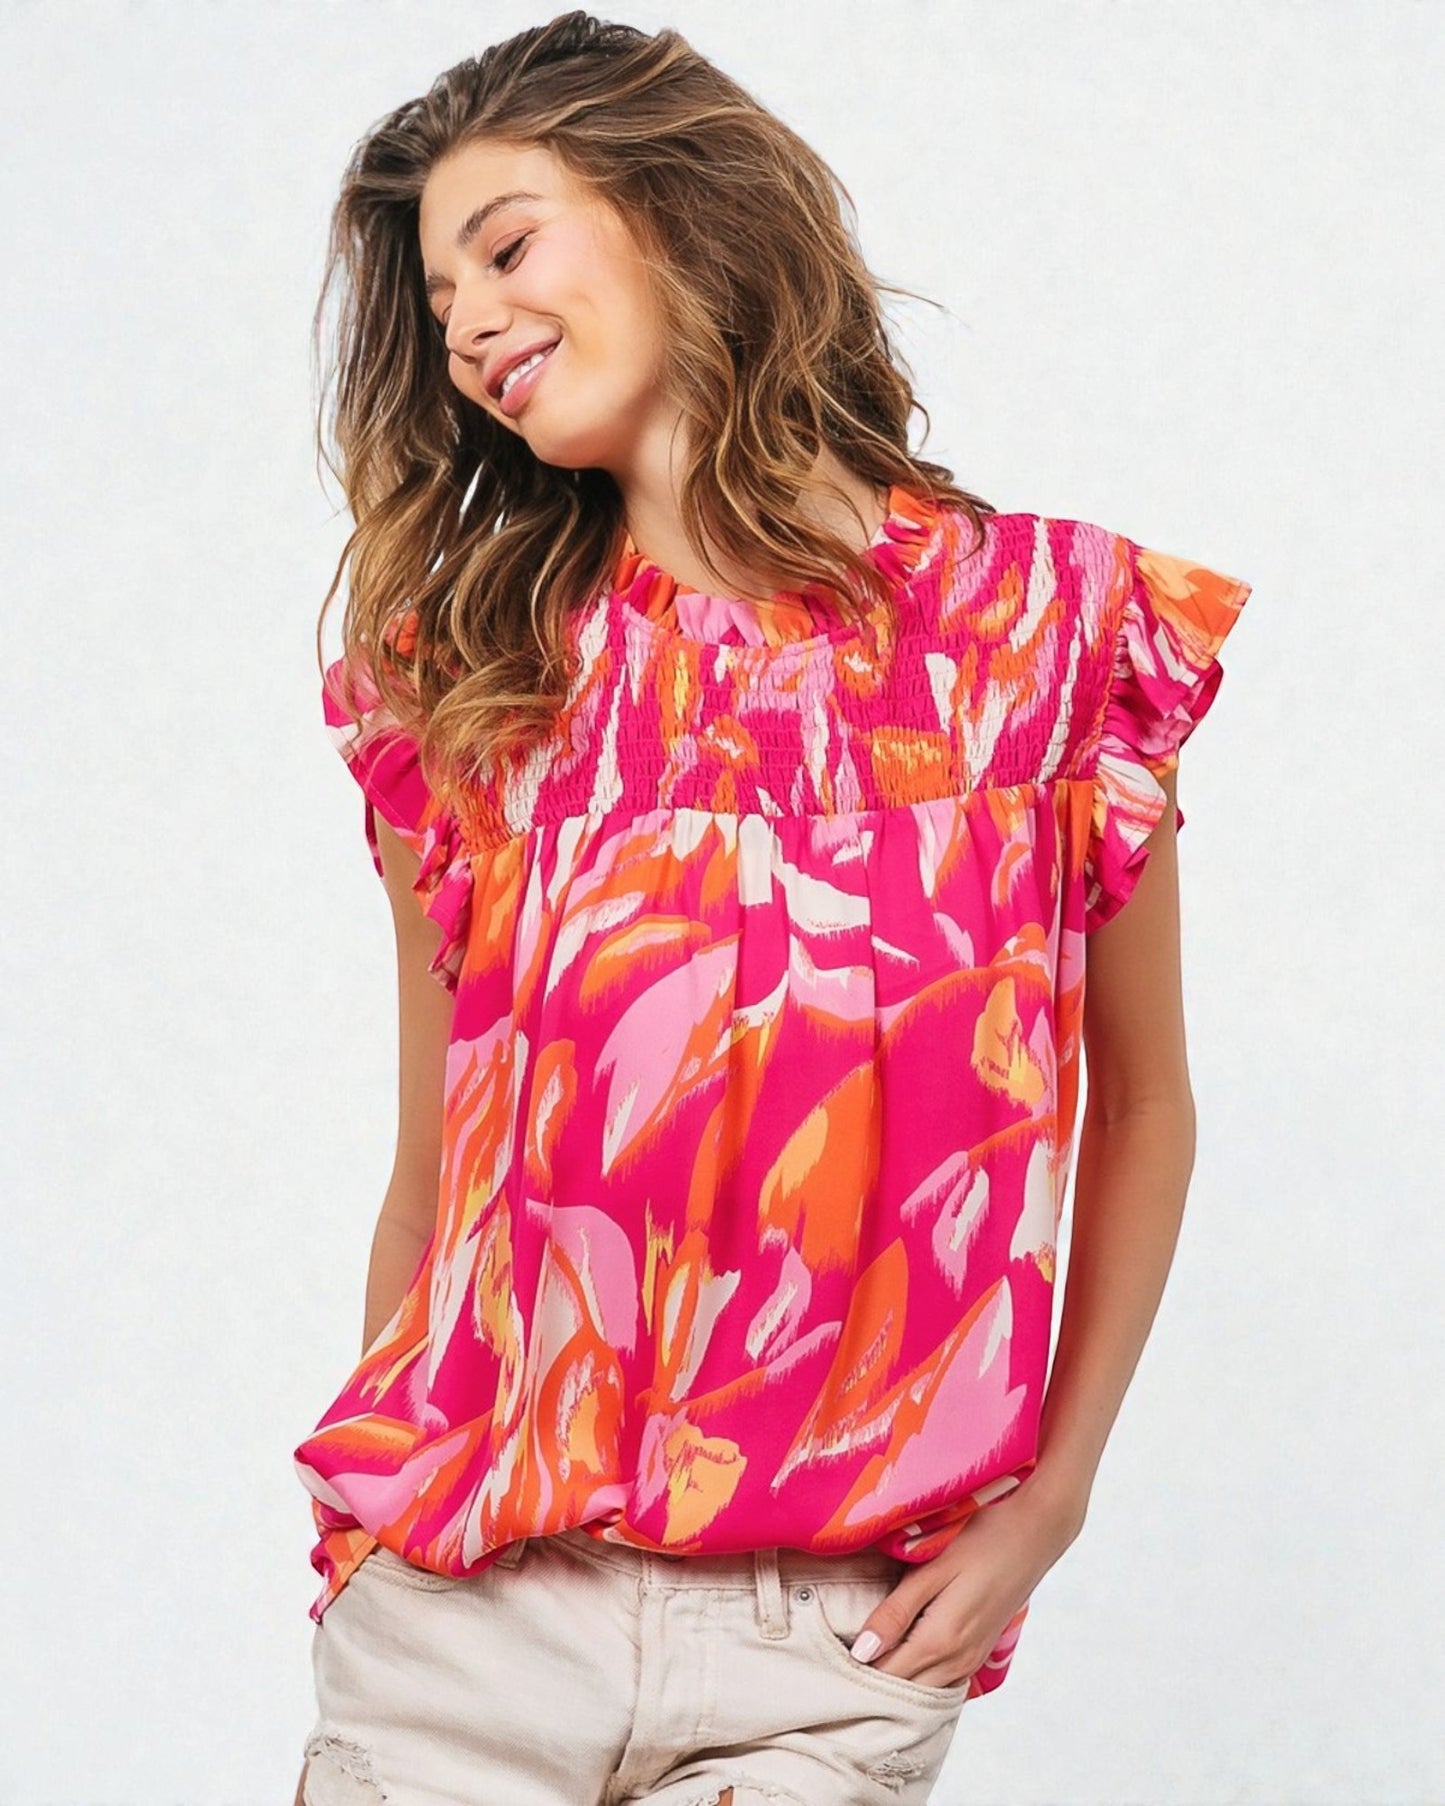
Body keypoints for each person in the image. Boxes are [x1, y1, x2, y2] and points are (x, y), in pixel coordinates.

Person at [290, 12, 1253, 1805]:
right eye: (436, 307)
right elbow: (435, 1173)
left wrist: (1053, 1497)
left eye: (505, 246)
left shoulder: (1046, 641)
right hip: (465, 1618)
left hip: (831, 1648)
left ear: (680, 210)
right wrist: (370, 1537)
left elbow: (1145, 1102)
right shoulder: (469, 691)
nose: (470, 323)